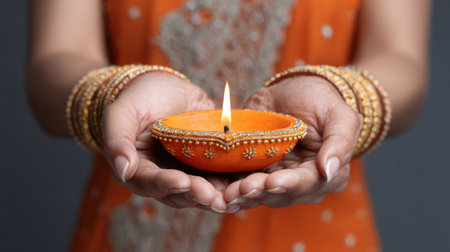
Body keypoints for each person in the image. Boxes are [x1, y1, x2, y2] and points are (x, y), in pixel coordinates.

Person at [27, 0, 430, 251]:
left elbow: (401, 59)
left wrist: (344, 96)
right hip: (135, 216)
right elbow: (55, 61)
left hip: (316, 229)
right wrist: (112, 94)